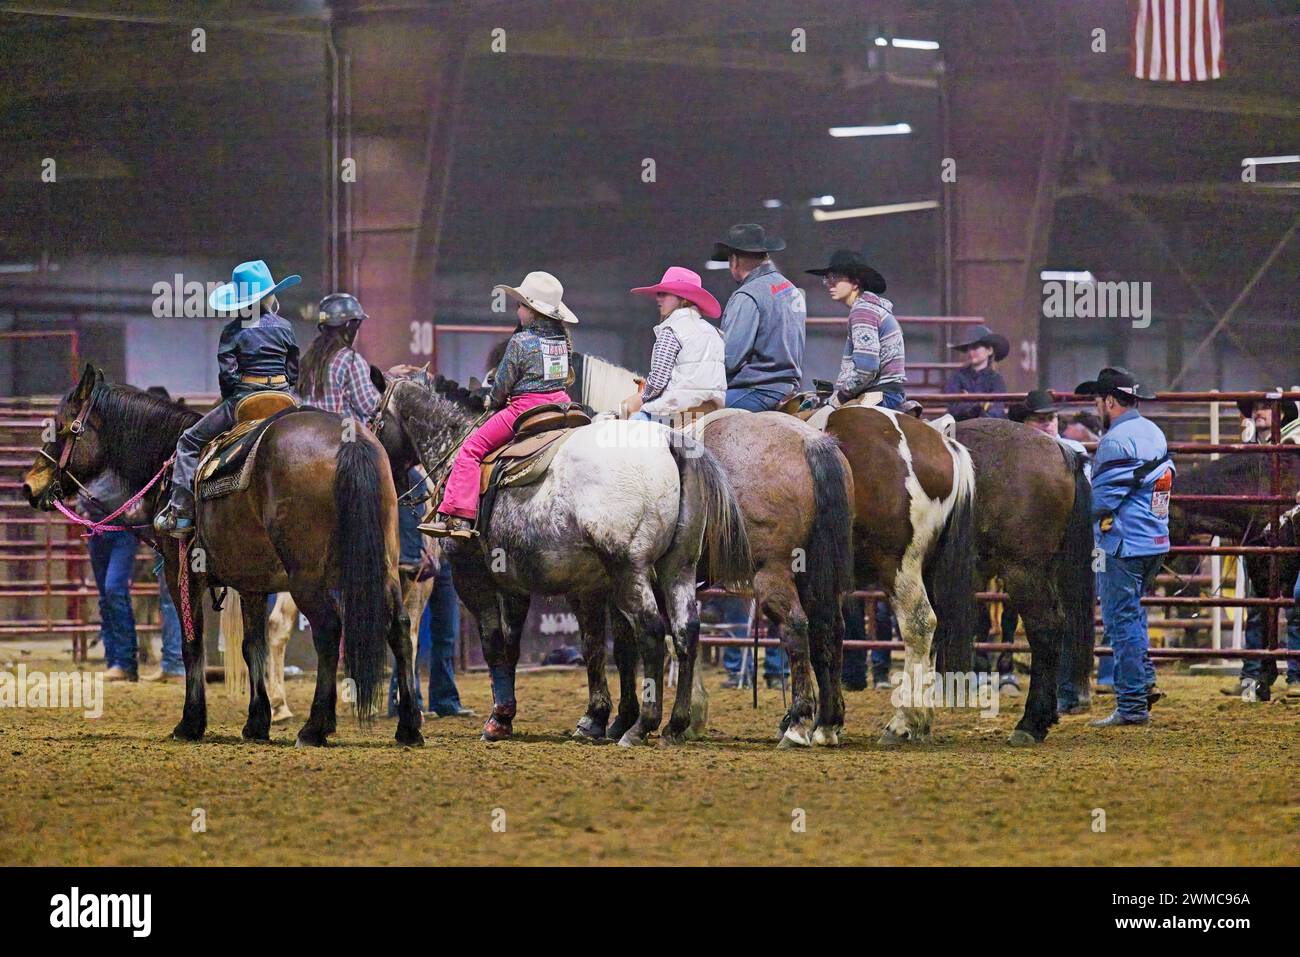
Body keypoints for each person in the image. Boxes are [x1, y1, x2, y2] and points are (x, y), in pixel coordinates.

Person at [420, 271, 577, 539]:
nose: (517, 309)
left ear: (532, 310)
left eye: (521, 305)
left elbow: (503, 383)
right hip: (562, 406)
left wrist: (491, 400)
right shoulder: (563, 341)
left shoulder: (520, 341)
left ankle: (460, 516)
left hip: (525, 410)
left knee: (470, 448)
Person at [154, 260, 301, 537]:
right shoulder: (286, 327)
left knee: (188, 441)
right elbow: (293, 370)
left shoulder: (233, 331)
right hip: (284, 399)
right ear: (269, 294)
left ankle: (182, 513)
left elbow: (228, 376)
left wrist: (233, 398)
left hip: (246, 400)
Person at [1075, 367, 1173, 728]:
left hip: (1123, 545)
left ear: (1110, 401)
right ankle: (1143, 683)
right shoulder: (1153, 432)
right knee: (1131, 614)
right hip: (1153, 540)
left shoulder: (1116, 441)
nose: (1096, 407)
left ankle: (1132, 705)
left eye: (1097, 401)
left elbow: (1100, 502)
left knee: (1120, 621)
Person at [1226, 396, 1300, 697]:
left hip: (1291, 531)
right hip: (1261, 532)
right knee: (1258, 605)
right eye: (1255, 408)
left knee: (1294, 602)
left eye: (1265, 407)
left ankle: (1289, 673)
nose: (1258, 412)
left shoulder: (1294, 440)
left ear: (1280, 412)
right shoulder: (1251, 445)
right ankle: (1255, 675)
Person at [714, 224, 806, 412]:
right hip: (789, 389)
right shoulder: (791, 289)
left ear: (734, 260)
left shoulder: (748, 295)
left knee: (688, 416)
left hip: (755, 390)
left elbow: (730, 358)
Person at [805, 249, 907, 410]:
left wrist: (840, 396)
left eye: (836, 278)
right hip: (887, 393)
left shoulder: (863, 312)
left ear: (855, 282)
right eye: (827, 278)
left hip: (877, 395)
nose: (830, 283)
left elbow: (866, 368)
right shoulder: (872, 309)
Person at [621, 267, 726, 422]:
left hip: (678, 411)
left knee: (628, 430)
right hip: (712, 411)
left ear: (682, 297)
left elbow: (658, 379)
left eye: (664, 293)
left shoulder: (671, 330)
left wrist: (640, 397)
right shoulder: (715, 333)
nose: (658, 298)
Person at [139, 386, 185, 683]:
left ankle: (175, 663)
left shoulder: (165, 450)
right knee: (170, 597)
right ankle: (174, 661)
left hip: (172, 529)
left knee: (172, 596)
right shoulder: (171, 446)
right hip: (169, 527)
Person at [298, 293, 382, 420]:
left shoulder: (308, 359)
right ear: (349, 326)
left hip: (307, 429)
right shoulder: (351, 360)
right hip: (343, 435)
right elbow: (369, 406)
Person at [945, 324, 1010, 421]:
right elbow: (953, 409)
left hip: (989, 428)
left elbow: (997, 410)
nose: (971, 352)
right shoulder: (957, 377)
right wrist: (983, 405)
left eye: (975, 347)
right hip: (962, 427)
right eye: (969, 348)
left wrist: (969, 403)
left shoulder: (996, 379)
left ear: (989, 350)